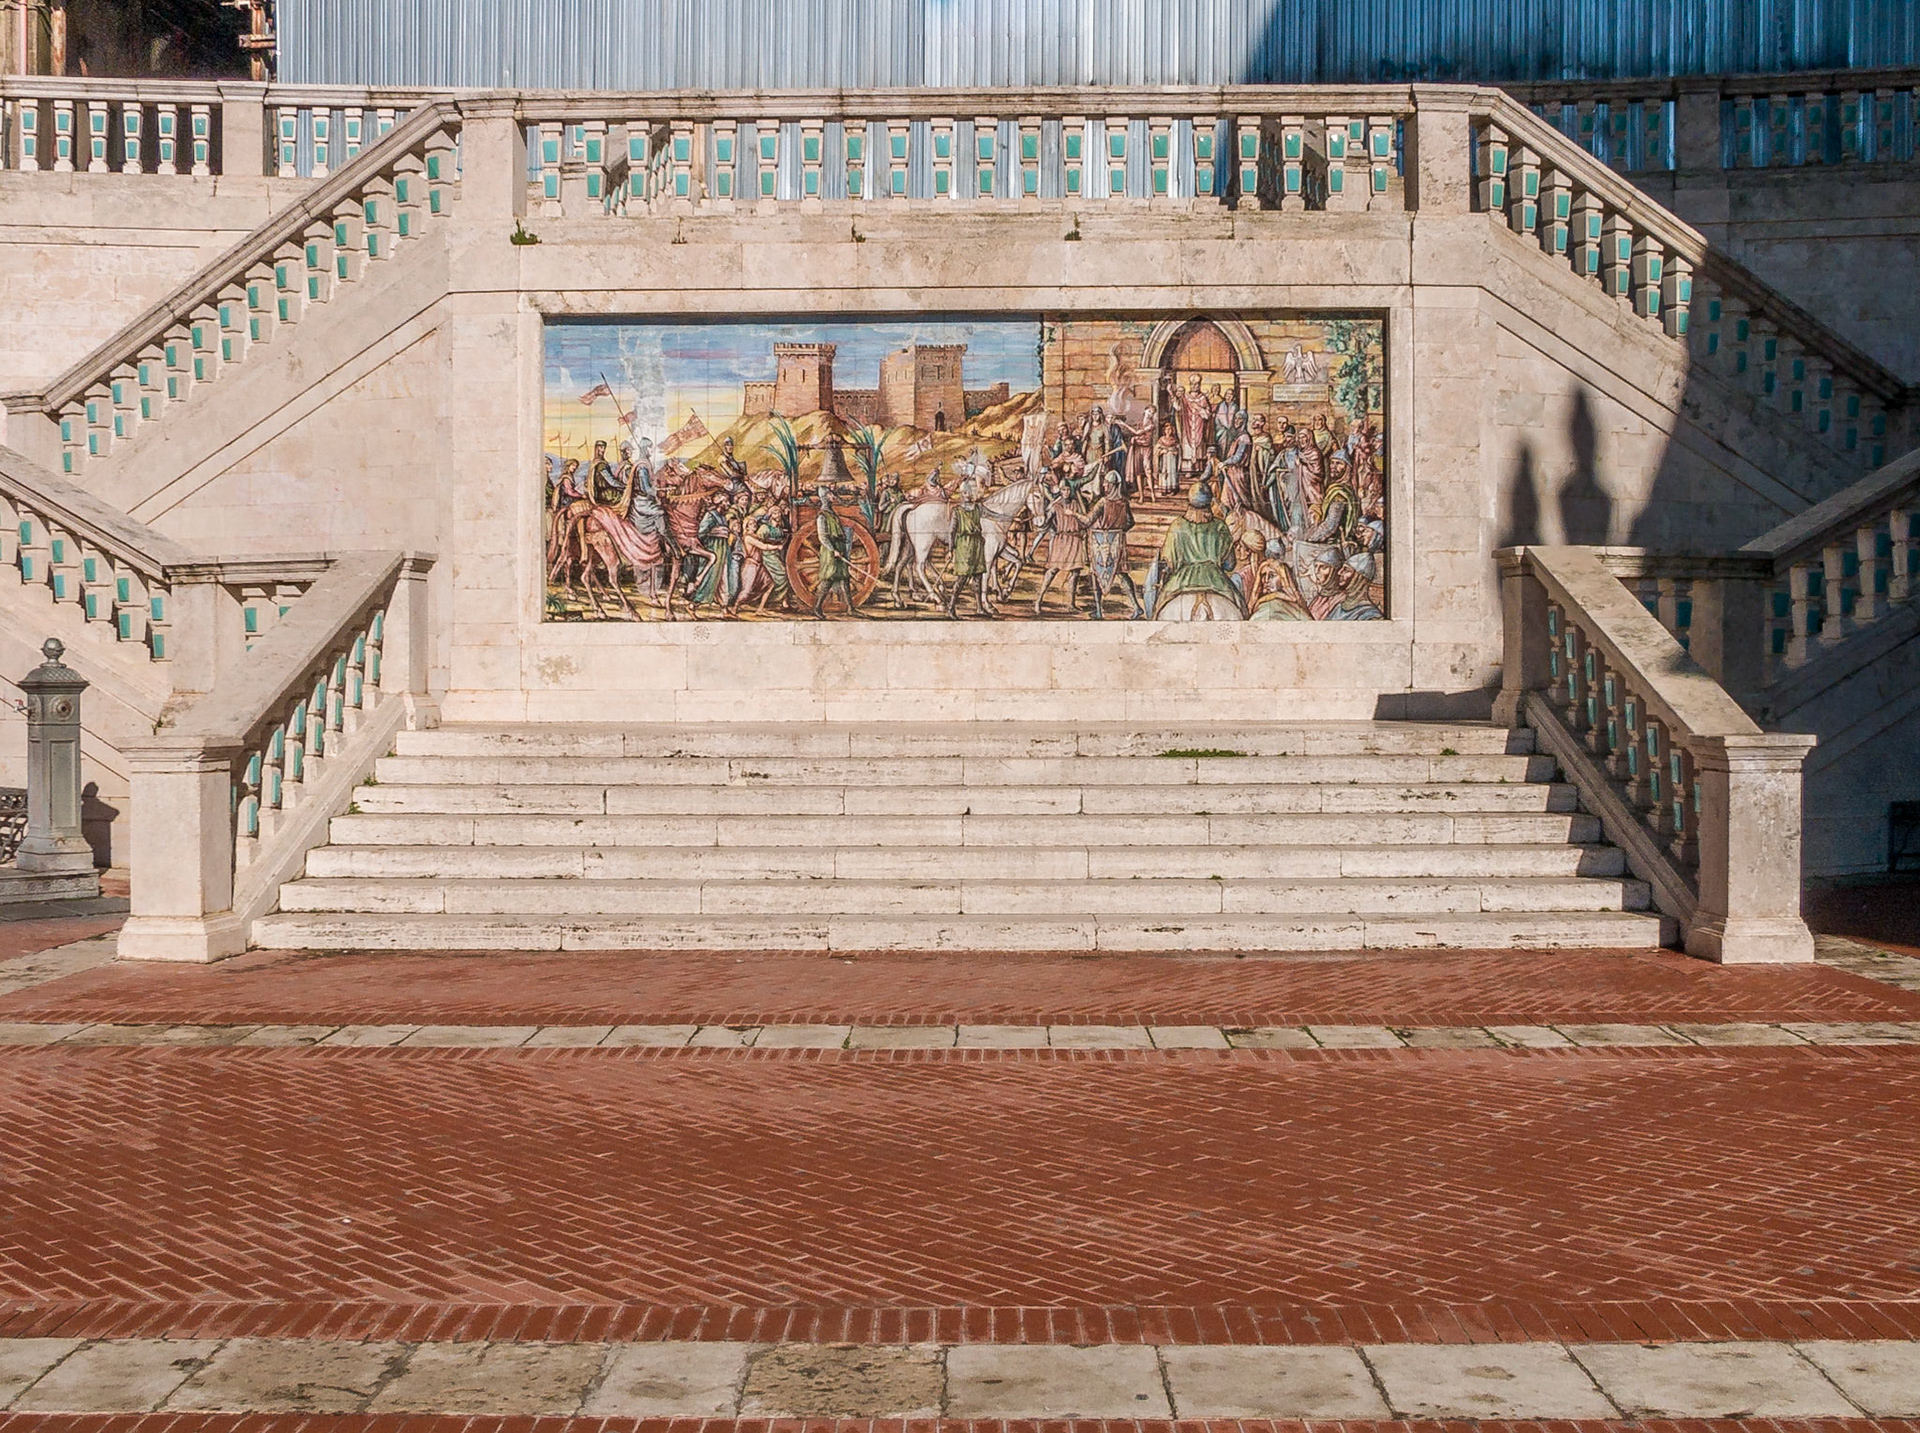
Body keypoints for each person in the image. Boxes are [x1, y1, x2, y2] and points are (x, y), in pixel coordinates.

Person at [1151, 483, 1243, 620]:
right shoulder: (1220, 526)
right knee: (1242, 608)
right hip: (1216, 580)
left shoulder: (1177, 526)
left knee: (1157, 610)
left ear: (1189, 503)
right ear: (1210, 503)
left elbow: (1170, 563)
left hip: (1181, 581)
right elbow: (1230, 565)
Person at [1032, 478, 1091, 616]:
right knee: (1052, 570)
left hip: (1075, 539)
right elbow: (1046, 522)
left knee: (1075, 572)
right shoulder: (1056, 506)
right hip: (1062, 540)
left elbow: (1084, 520)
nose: (1066, 492)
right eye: (1064, 489)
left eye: (1068, 489)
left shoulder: (1076, 504)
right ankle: (1039, 600)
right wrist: (1042, 522)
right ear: (1060, 490)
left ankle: (1071, 603)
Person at [1087, 474, 1143, 620]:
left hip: (1102, 543)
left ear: (1113, 485)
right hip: (1117, 542)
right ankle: (1136, 607)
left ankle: (1099, 610)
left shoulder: (1103, 502)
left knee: (1096, 572)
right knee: (1122, 574)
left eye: (1106, 483)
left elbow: (1087, 520)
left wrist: (1072, 514)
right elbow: (1130, 522)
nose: (1104, 485)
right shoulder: (1124, 502)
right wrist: (1119, 530)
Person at [945, 479, 994, 617]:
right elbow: (951, 532)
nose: (969, 495)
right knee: (962, 578)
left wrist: (1010, 517)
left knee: (978, 577)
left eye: (971, 492)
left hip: (977, 544)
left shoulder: (978, 508)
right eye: (966, 492)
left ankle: (979, 608)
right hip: (964, 545)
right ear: (962, 494)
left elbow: (993, 514)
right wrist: (950, 550)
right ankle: (951, 607)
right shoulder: (957, 511)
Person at [811, 484, 856, 615]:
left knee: (844, 577)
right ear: (824, 497)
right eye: (830, 494)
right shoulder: (822, 516)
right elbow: (822, 537)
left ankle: (850, 608)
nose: (833, 496)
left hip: (839, 547)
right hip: (830, 551)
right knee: (829, 578)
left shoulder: (832, 513)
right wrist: (833, 550)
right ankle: (817, 607)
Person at [1153, 418, 1182, 497]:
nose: (1168, 431)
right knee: (1164, 472)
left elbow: (1178, 450)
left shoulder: (1174, 440)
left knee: (1171, 473)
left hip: (1172, 460)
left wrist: (1175, 452)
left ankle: (1172, 489)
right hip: (1164, 459)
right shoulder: (1161, 440)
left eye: (1170, 429)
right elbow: (1156, 450)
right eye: (1167, 429)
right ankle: (1164, 490)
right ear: (1164, 430)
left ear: (1172, 430)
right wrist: (1161, 452)